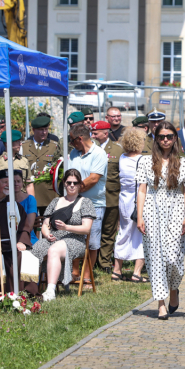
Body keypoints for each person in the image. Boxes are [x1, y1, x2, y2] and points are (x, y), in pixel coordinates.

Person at [137, 121, 185, 320]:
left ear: (175, 139)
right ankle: (160, 304)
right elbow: (142, 190)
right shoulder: (145, 162)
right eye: (161, 136)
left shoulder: (184, 163)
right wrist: (139, 216)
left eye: (169, 136)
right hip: (152, 211)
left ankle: (173, 289)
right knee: (156, 259)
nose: (165, 140)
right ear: (156, 139)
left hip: (176, 211)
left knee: (173, 259)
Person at [32, 168, 95, 300]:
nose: (72, 185)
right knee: (34, 249)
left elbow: (86, 229)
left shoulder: (86, 202)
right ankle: (30, 289)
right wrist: (47, 234)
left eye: (75, 183)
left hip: (75, 241)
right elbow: (45, 224)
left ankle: (50, 292)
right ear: (64, 184)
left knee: (54, 250)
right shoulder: (55, 202)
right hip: (53, 238)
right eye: (69, 182)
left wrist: (67, 227)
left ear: (80, 185)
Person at [68, 123, 108, 287]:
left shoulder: (99, 153)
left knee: (92, 242)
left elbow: (93, 179)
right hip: (74, 201)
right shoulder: (73, 153)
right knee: (75, 237)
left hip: (94, 203)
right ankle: (74, 272)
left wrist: (74, 189)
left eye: (71, 140)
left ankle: (87, 275)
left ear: (79, 139)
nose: (70, 144)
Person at [91, 120, 124, 277]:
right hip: (93, 196)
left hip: (111, 196)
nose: (93, 135)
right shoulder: (90, 148)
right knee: (93, 230)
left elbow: (122, 175)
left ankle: (104, 262)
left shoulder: (118, 150)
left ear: (105, 133)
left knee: (108, 231)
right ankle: (91, 259)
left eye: (96, 133)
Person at [113, 128, 146, 282]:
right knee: (143, 235)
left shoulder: (122, 158)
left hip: (124, 200)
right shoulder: (143, 160)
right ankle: (136, 273)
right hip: (139, 199)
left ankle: (117, 270)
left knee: (124, 233)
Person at [23, 114, 62, 212]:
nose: (44, 132)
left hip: (48, 194)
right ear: (33, 130)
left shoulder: (54, 146)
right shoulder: (24, 147)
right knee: (31, 224)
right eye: (41, 130)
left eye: (46, 129)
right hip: (29, 192)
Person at [13, 172, 38, 245]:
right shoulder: (5, 200)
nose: (16, 184)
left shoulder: (30, 199)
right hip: (9, 237)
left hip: (28, 236)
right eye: (13, 181)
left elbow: (29, 226)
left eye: (18, 181)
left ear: (22, 183)